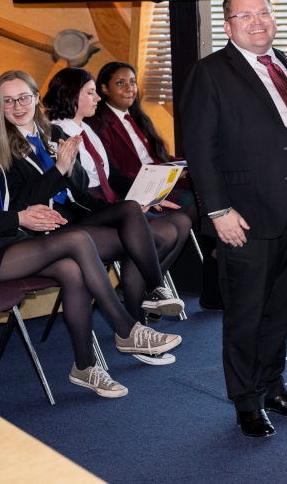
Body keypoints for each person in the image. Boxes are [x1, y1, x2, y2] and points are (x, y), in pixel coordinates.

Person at [0, 74, 181, 398]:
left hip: (5, 242)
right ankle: (127, 329)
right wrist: (20, 216)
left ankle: (85, 367)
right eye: (0, 103)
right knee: (77, 241)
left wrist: (31, 215)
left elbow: (6, 202)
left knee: (72, 269)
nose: (7, 110)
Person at [181, 0, 287, 438]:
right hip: (241, 215)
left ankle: (272, 387)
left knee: (281, 308)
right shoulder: (209, 72)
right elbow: (199, 150)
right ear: (229, 26)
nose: (257, 22)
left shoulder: (284, 63)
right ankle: (246, 403)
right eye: (245, 16)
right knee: (246, 312)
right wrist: (218, 211)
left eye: (263, 13)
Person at [0, 70, 184, 361]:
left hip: (71, 216)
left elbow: (80, 189)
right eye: (8, 101)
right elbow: (21, 201)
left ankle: (150, 303)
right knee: (140, 237)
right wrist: (59, 168)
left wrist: (71, 169)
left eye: (23, 98)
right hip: (43, 230)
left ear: (35, 98)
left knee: (133, 214)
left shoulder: (53, 133)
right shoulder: (2, 145)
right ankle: (138, 324)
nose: (18, 106)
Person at [86, 61, 219, 310]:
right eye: (120, 83)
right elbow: (114, 175)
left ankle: (142, 289)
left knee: (199, 201)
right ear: (104, 89)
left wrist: (180, 167)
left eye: (132, 82)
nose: (129, 88)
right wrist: (156, 184)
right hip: (134, 192)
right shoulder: (99, 124)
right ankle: (214, 262)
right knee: (201, 203)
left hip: (159, 182)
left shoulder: (136, 117)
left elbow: (158, 159)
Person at [42, 68, 193, 277]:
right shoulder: (56, 133)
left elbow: (111, 174)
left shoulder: (86, 129)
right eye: (90, 92)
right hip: (88, 206)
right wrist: (121, 207)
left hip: (107, 198)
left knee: (182, 222)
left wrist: (146, 195)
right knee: (165, 234)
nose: (97, 98)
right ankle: (147, 291)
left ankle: (143, 293)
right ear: (70, 94)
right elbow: (73, 194)